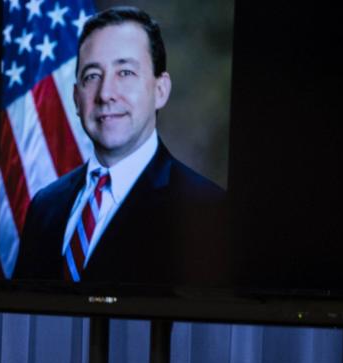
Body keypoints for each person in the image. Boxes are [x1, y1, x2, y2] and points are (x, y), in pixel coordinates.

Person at [13, 7, 226, 285]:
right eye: (92, 76)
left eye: (125, 72)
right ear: (77, 99)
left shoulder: (206, 210)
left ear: (160, 90)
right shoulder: (45, 206)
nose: (105, 94)